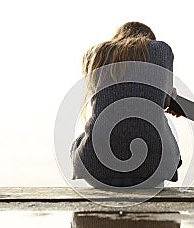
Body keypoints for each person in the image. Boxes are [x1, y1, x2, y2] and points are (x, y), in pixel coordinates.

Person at [71, 22, 182, 187]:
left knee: (78, 142)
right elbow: (164, 97)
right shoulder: (161, 50)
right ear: (149, 40)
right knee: (163, 131)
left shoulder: (94, 54)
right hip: (152, 172)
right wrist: (169, 98)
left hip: (95, 170)